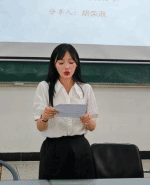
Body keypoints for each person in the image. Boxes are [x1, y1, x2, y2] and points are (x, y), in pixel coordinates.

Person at [32, 43, 99, 180]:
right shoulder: (44, 87)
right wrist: (44, 117)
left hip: (80, 148)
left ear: (76, 64)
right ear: (54, 64)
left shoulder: (86, 88)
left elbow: (92, 127)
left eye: (71, 62)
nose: (66, 67)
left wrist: (88, 121)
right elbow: (40, 127)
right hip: (54, 149)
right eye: (61, 63)